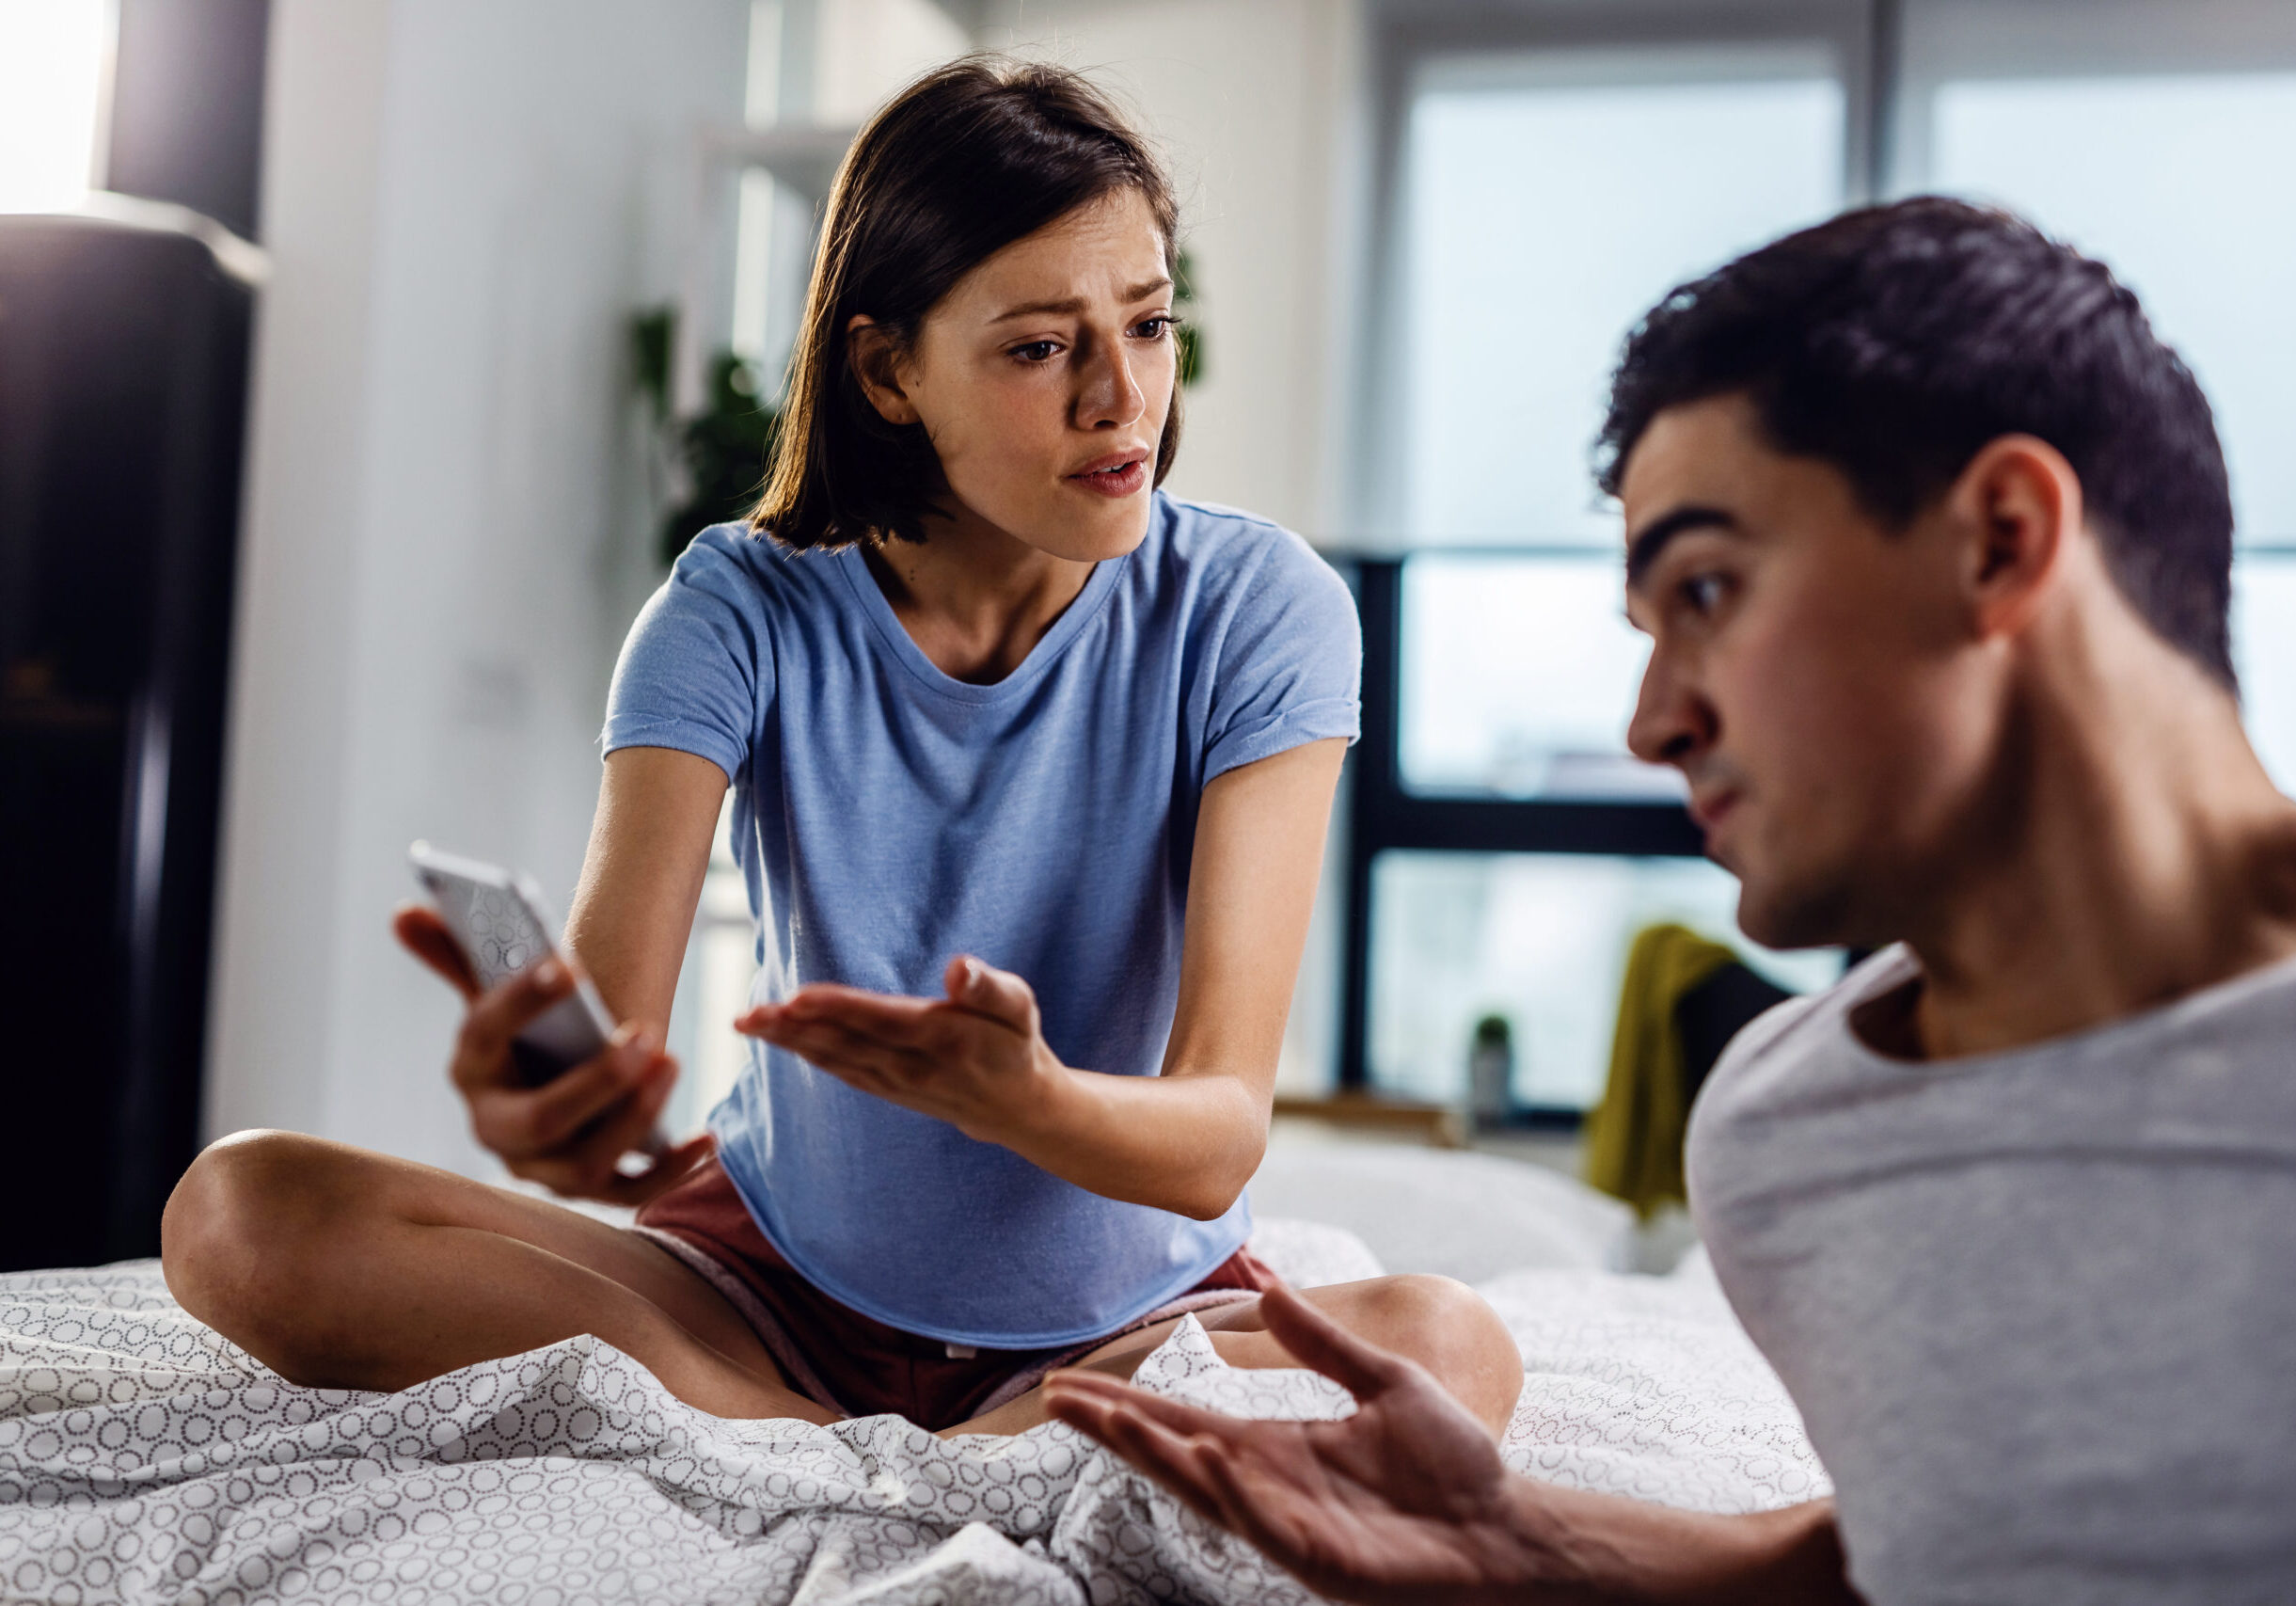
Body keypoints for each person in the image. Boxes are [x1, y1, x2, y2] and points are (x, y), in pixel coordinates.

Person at [158, 58, 1522, 1438]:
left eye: (1151, 326)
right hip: (760, 1291)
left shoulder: (1257, 609)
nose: (1124, 400)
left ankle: (785, 1437)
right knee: (240, 1211)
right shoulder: (732, 605)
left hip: (1127, 1325)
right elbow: (614, 1064)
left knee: (1446, 1346)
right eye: (1042, 346)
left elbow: (1218, 1132)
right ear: (886, 370)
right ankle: (885, 1448)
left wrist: (1027, 1100)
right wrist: (553, 1101)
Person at [1049, 195, 2296, 1603]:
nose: (1649, 727)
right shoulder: (1789, 1140)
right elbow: (1921, 1559)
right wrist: (1528, 1545)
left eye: (1706, 589)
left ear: (2001, 541)